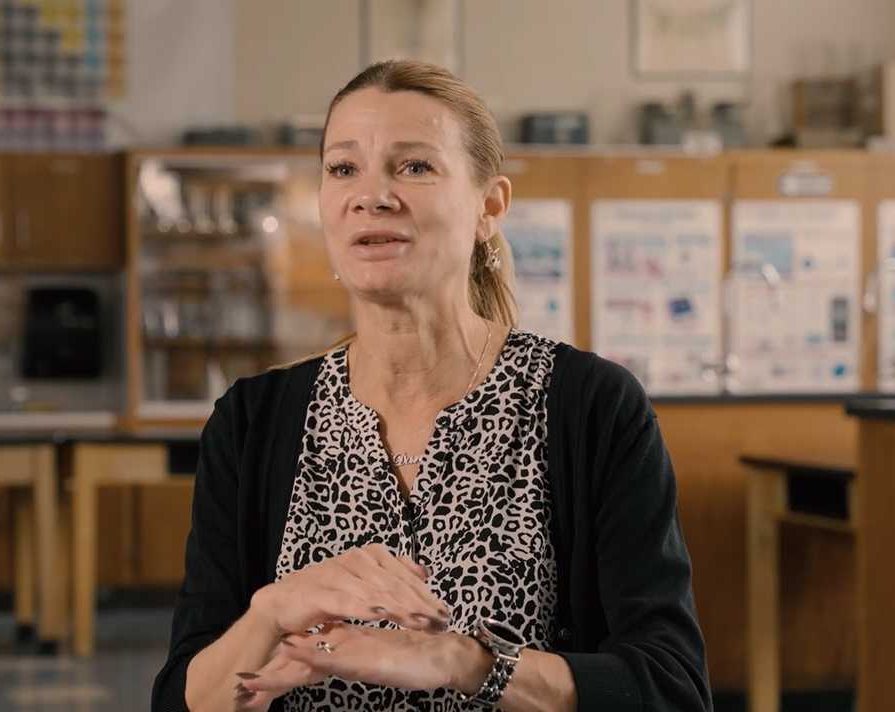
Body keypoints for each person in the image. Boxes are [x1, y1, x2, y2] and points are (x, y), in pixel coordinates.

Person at [152, 59, 712, 712]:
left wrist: (467, 662)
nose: (373, 194)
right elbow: (182, 701)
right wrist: (270, 614)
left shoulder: (590, 408)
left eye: (414, 166)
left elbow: (670, 689)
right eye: (343, 168)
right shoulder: (253, 422)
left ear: (489, 206)